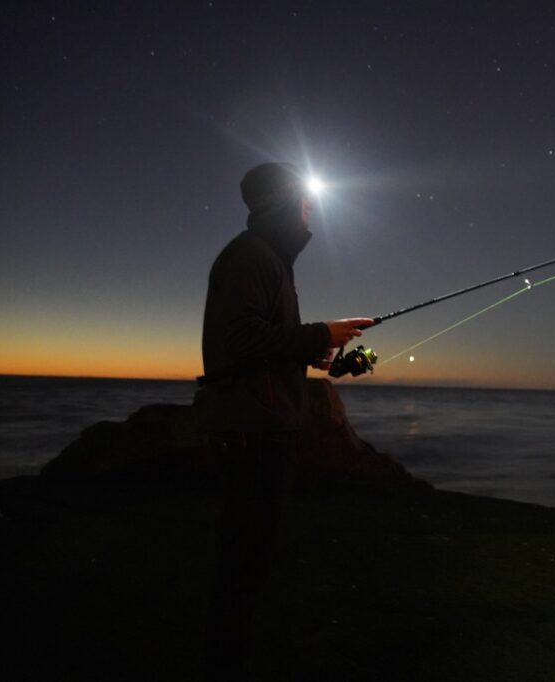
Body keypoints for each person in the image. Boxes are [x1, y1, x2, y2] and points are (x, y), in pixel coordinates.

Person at [194, 162, 372, 680]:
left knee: (249, 556)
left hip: (263, 423)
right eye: (305, 198)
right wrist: (320, 333)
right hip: (254, 429)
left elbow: (262, 344)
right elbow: (240, 342)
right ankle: (227, 661)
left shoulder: (268, 258)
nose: (311, 208)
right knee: (244, 559)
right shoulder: (253, 257)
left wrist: (319, 351)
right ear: (284, 200)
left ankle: (231, 654)